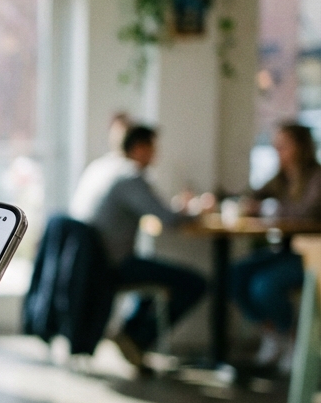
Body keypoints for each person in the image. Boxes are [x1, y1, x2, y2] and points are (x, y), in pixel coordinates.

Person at [69, 125, 207, 367]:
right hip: (110, 265)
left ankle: (130, 333)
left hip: (89, 263)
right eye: (154, 149)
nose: (156, 156)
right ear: (140, 148)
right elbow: (168, 218)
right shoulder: (130, 176)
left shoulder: (101, 167)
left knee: (152, 268)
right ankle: (136, 337)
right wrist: (198, 210)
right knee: (195, 283)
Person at [231, 123, 321, 368]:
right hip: (284, 251)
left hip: (310, 255)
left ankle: (292, 339)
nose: (277, 150)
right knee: (235, 275)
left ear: (301, 147)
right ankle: (274, 335)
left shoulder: (316, 177)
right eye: (275, 145)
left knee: (264, 284)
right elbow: (250, 195)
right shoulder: (280, 178)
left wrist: (268, 209)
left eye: (283, 145)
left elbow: (307, 214)